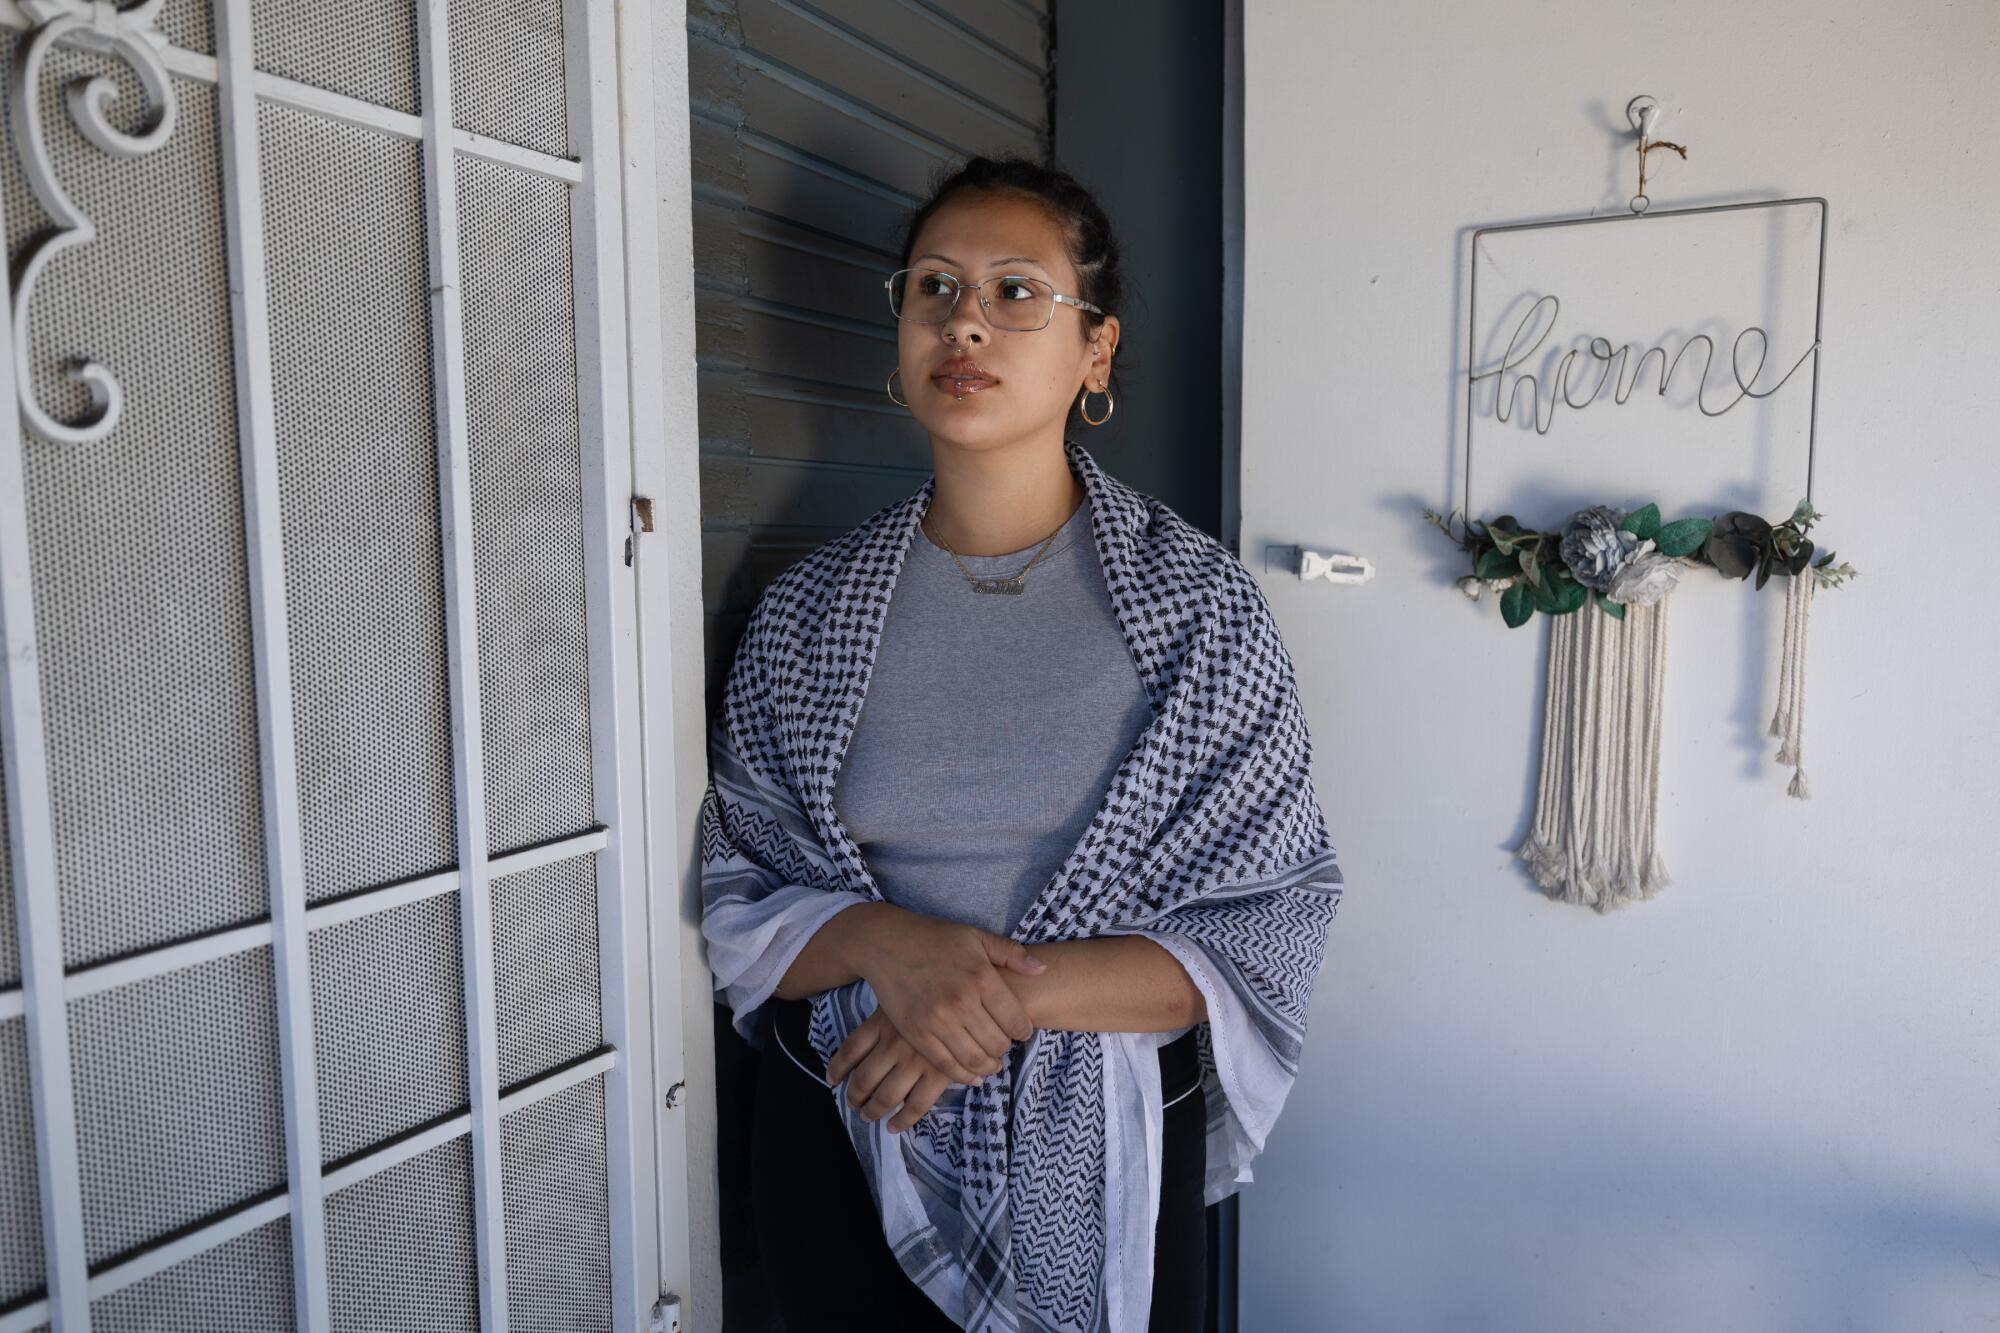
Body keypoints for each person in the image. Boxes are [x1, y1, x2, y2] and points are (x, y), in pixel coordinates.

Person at [700, 155, 1344, 1333]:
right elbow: (741, 901)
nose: (965, 322)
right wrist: (886, 945)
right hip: (846, 1120)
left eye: (1015, 292)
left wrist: (979, 1004)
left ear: (1093, 351)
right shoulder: (802, 616)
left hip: (1103, 1137)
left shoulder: (1201, 614)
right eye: (933, 288)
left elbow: (1262, 922)